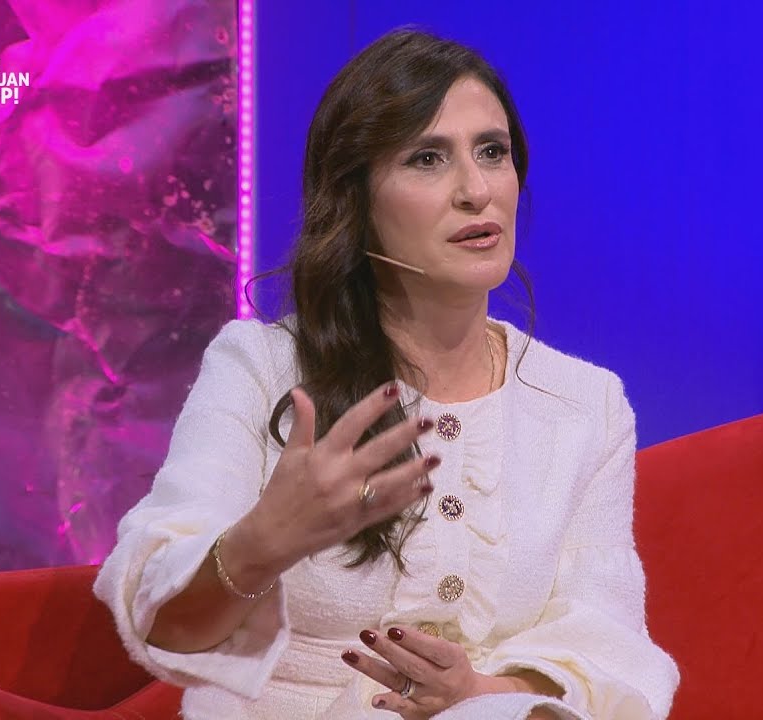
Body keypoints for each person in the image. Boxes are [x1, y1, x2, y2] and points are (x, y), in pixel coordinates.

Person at [93, 27, 679, 720]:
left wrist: (480, 693)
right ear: (356, 200)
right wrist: (261, 545)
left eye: (492, 152)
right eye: (427, 158)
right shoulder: (258, 367)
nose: (476, 190)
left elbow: (608, 644)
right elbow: (164, 628)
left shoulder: (585, 404)